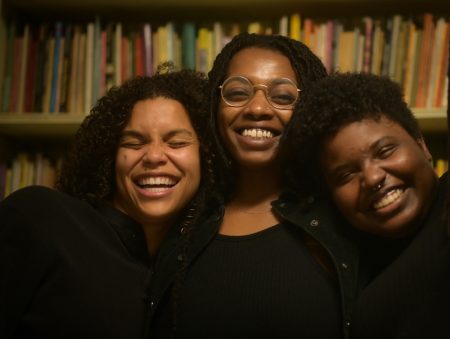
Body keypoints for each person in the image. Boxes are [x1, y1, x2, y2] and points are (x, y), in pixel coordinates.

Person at [152, 33, 359, 339]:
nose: (258, 109)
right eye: (237, 93)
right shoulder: (180, 222)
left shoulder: (345, 216)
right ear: (215, 106)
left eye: (283, 96)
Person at [0, 67, 219, 339]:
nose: (153, 156)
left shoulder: (202, 268)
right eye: (134, 143)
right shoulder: (39, 218)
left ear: (206, 158)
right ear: (109, 158)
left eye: (175, 143)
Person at [286, 72, 450, 339]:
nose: (373, 178)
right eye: (346, 175)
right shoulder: (352, 277)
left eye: (385, 151)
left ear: (422, 144)